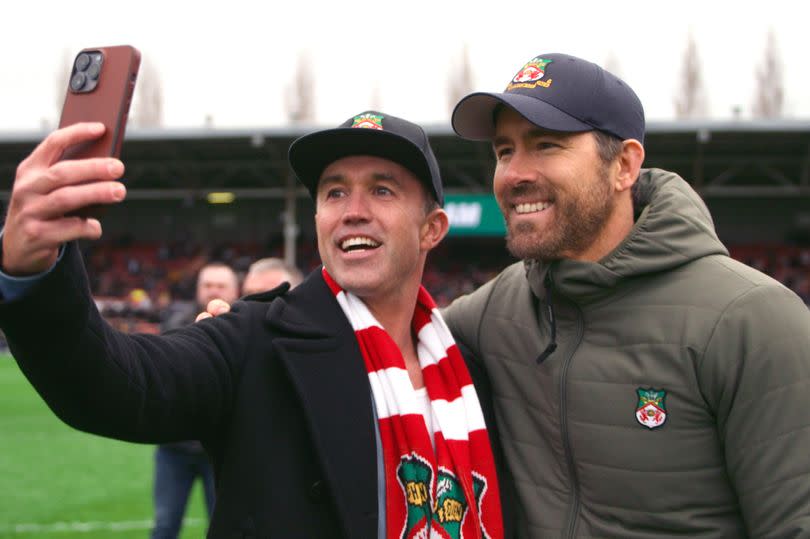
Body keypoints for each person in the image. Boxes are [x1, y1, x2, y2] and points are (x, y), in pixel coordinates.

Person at [0, 112, 511, 538]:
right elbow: (113, 384)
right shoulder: (255, 340)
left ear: (431, 229)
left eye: (381, 190)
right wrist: (35, 271)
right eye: (334, 193)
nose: (353, 212)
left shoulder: (470, 368)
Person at [439, 53, 810, 536]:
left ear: (625, 166)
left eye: (546, 145)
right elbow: (378, 339)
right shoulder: (496, 310)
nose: (513, 174)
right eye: (504, 151)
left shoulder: (753, 319)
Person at [152, 262, 239, 539]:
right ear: (198, 289)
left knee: (225, 527)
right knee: (165, 525)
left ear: (236, 290)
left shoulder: (248, 328)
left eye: (220, 285)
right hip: (174, 449)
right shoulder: (177, 321)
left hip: (223, 452)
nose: (213, 290)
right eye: (207, 284)